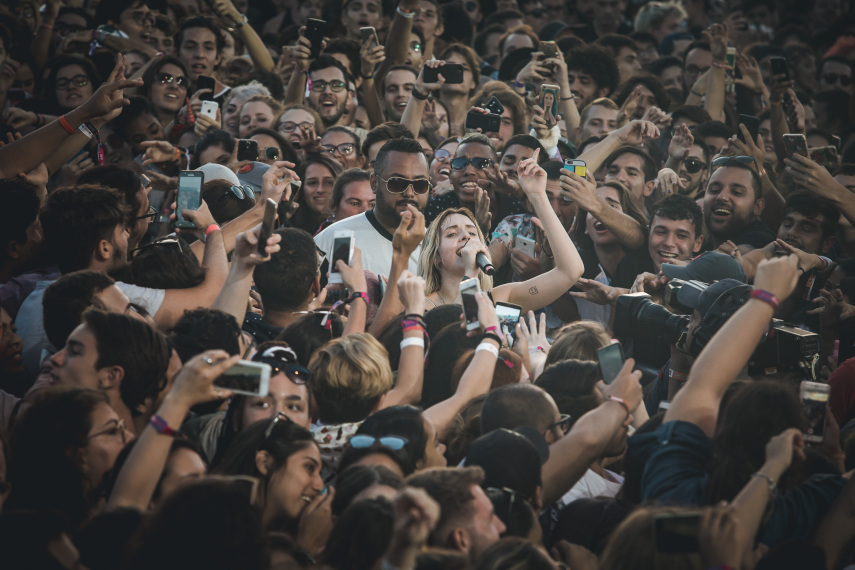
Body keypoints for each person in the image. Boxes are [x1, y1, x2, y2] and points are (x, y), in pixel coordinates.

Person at [420, 148, 584, 315]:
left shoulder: (501, 298)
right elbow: (459, 327)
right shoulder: (420, 304)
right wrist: (470, 274)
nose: (466, 237)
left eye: (472, 233)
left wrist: (537, 196)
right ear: (436, 256)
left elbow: (571, 272)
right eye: (452, 234)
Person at [315, 138, 428, 277]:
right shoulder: (338, 237)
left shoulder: (442, 243)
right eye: (397, 182)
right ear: (374, 183)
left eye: (420, 184)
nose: (409, 193)